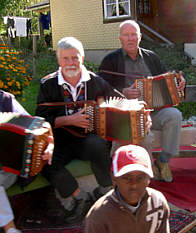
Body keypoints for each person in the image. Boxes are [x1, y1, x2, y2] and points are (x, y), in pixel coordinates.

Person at [35, 37, 120, 223]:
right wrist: (70, 120)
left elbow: (119, 101)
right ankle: (79, 196)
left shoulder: (96, 81)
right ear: (58, 60)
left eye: (75, 57)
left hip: (87, 139)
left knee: (98, 144)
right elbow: (41, 120)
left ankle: (105, 191)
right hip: (58, 139)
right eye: (65, 58)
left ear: (82, 57)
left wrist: (139, 109)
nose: (71, 62)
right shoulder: (48, 84)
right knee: (43, 159)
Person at [99, 20, 186, 182]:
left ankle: (163, 161)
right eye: (126, 35)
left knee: (174, 115)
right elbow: (101, 88)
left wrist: (179, 81)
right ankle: (145, 166)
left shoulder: (151, 57)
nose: (130, 38)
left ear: (140, 37)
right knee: (142, 135)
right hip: (127, 117)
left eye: (134, 35)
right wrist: (123, 92)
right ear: (120, 38)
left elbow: (168, 77)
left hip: (154, 111)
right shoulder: (110, 60)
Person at [0, 90, 53, 233]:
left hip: (8, 169)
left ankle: (10, 228)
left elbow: (39, 125)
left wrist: (50, 145)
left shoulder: (5, 99)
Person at [85, 144, 170, 233]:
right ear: (113, 177)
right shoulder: (99, 215)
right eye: (126, 178)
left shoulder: (157, 202)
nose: (134, 185)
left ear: (149, 177)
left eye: (140, 178)